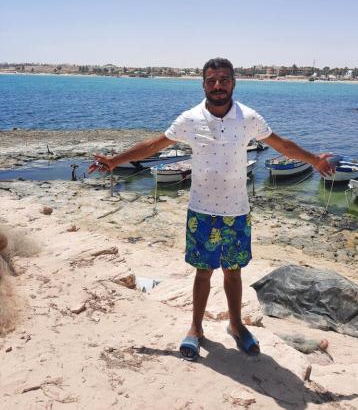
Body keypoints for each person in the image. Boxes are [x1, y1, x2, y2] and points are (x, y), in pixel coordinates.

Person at [89, 57, 334, 360]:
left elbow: (282, 145)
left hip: (237, 210)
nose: (218, 85)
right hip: (202, 209)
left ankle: (236, 325)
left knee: (233, 272)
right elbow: (154, 146)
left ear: (234, 82)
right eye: (211, 80)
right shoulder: (190, 119)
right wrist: (115, 160)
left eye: (224, 79)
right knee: (202, 272)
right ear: (203, 84)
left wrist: (314, 160)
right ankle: (195, 328)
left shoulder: (248, 117)